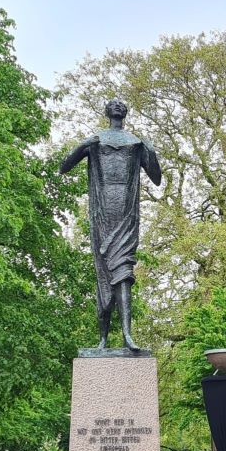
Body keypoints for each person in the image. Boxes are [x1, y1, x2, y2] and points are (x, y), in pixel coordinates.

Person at [60, 99, 161, 350]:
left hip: (126, 216)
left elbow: (157, 178)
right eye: (113, 105)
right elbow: (63, 167)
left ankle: (127, 335)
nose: (117, 107)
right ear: (107, 111)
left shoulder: (135, 143)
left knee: (124, 273)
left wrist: (151, 151)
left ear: (125, 112)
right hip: (103, 216)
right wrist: (82, 145)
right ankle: (103, 338)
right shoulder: (95, 140)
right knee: (104, 277)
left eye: (121, 105)